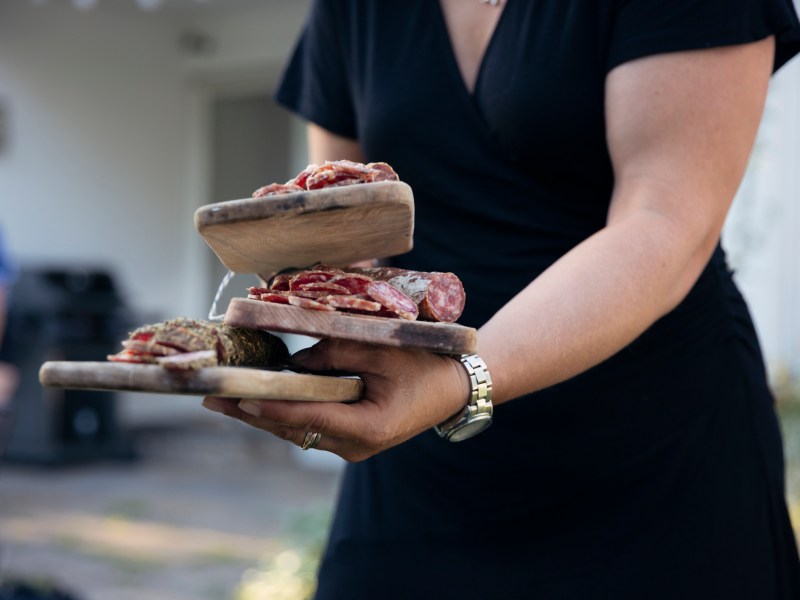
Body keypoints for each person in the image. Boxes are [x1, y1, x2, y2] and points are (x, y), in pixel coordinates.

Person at [201, 1, 800, 598]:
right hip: (421, 448)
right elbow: (352, 227)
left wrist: (463, 379)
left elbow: (666, 221)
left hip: (652, 457)